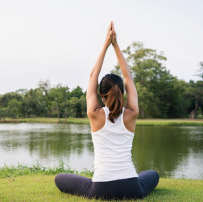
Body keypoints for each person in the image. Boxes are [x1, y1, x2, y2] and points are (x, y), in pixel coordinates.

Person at [54, 21, 159, 200]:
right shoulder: (131, 113)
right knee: (152, 174)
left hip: (100, 189)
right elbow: (128, 77)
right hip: (132, 188)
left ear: (101, 95)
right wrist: (116, 45)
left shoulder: (94, 113)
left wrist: (106, 44)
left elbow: (92, 76)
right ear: (123, 93)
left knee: (59, 179)